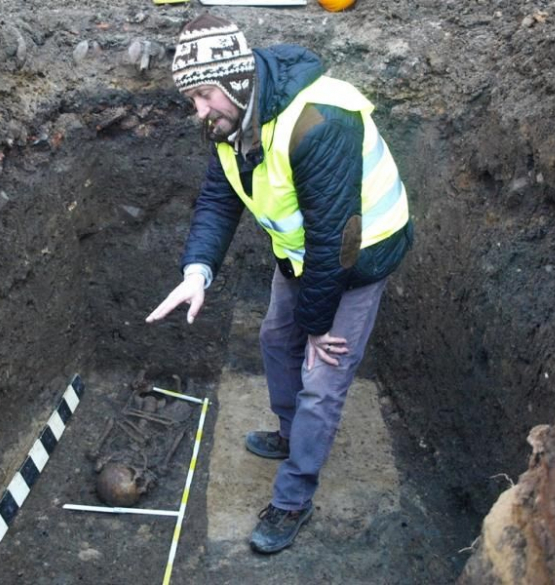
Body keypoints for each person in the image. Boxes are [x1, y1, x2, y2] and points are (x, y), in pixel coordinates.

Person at [146, 13, 413, 554]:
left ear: (238, 82)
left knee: (324, 376)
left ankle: (293, 498)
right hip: (305, 254)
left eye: (203, 96)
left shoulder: (319, 121)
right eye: (192, 98)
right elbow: (220, 199)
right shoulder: (231, 121)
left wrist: (318, 329)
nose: (198, 111)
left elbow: (335, 241)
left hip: (358, 256)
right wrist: (197, 273)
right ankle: (292, 435)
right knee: (274, 339)